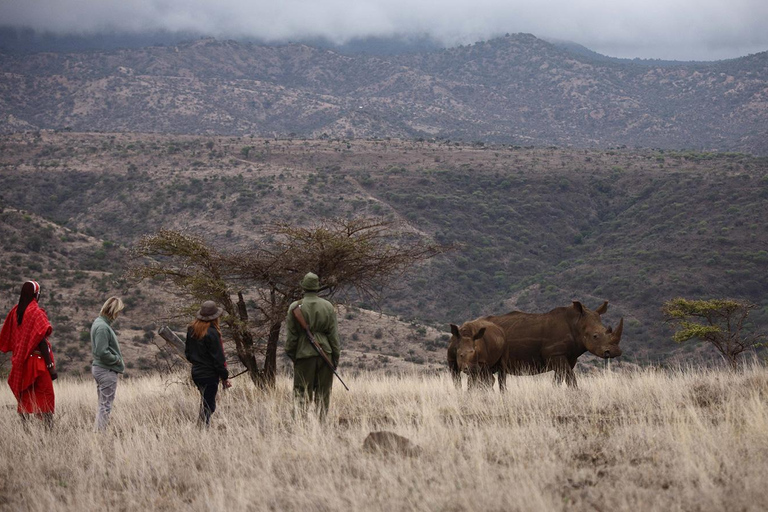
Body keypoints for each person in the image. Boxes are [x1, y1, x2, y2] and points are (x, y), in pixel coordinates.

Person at [0, 281, 56, 426]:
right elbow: (41, 340)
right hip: (37, 361)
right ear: (36, 294)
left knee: (25, 395)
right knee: (46, 395)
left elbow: (9, 336)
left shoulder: (15, 312)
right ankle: (48, 429)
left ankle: (25, 430)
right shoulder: (36, 312)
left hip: (20, 361)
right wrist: (50, 365)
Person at [285, 272, 340, 418]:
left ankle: (300, 426)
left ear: (303, 287)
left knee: (301, 391)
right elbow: (334, 336)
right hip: (326, 354)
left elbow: (291, 338)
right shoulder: (328, 306)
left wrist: (294, 356)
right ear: (317, 288)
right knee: (323, 393)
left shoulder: (294, 307)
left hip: (303, 354)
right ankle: (321, 426)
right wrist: (335, 358)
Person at [185, 301, 230, 427]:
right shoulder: (213, 333)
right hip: (209, 374)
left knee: (205, 402)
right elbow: (218, 359)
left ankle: (202, 427)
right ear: (215, 317)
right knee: (209, 405)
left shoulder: (191, 330)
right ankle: (203, 430)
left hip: (196, 373)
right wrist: (224, 376)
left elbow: (188, 353)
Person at [90, 296, 125, 431]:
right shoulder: (103, 327)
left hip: (100, 369)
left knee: (102, 404)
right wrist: (116, 359)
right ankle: (99, 434)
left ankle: (98, 432)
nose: (118, 315)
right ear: (113, 311)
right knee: (106, 406)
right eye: (118, 311)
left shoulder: (99, 323)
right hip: (106, 370)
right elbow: (101, 352)